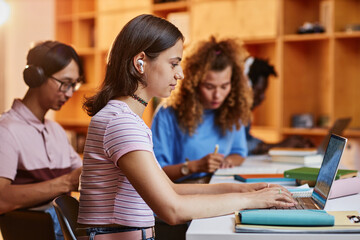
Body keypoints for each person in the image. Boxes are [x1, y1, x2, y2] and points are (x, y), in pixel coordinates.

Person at [77, 14, 296, 240]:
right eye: (173, 63)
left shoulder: (123, 118)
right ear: (140, 62)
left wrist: (243, 190)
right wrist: (252, 201)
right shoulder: (121, 123)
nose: (180, 74)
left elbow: (171, 188)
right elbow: (173, 210)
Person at [0, 41, 83, 240]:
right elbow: (0, 198)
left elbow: (82, 175)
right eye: (64, 83)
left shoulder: (56, 131)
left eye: (74, 84)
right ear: (36, 78)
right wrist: (66, 183)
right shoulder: (6, 130)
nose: (70, 93)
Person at [151, 36, 252, 183]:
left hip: (218, 186)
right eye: (209, 87)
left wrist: (228, 161)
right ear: (193, 83)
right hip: (181, 191)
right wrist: (195, 167)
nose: (217, 95)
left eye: (224, 86)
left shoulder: (232, 109)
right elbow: (156, 174)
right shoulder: (167, 114)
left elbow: (239, 152)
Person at [244, 57, 314, 155]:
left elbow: (247, 139)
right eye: (259, 91)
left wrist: (277, 145)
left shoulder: (245, 114)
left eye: (264, 91)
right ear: (245, 86)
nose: (262, 97)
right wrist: (279, 145)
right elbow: (239, 147)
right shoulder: (231, 112)